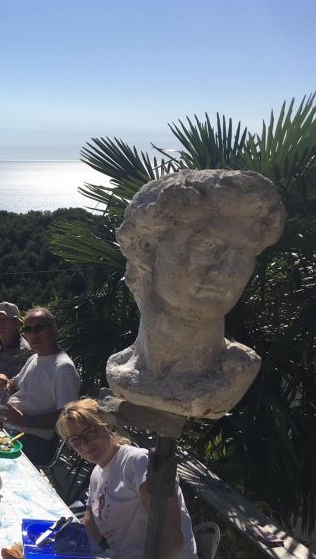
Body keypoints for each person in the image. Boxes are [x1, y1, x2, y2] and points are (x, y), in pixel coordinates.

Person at [107, 170, 285, 418]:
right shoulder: (120, 369)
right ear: (146, 250)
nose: (226, 271)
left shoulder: (235, 372)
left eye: (244, 253)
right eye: (208, 245)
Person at [56, 399, 201, 559]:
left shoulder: (137, 463)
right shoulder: (98, 472)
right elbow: (89, 521)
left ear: (107, 426)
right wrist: (62, 546)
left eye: (90, 433)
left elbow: (173, 539)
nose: (84, 444)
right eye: (75, 440)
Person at [0, 307, 79, 465]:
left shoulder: (63, 368)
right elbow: (14, 385)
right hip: (12, 430)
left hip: (35, 443)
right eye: (27, 329)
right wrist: (4, 382)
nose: (32, 334)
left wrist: (25, 420)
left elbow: (68, 418)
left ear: (54, 331)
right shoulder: (34, 358)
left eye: (39, 328)